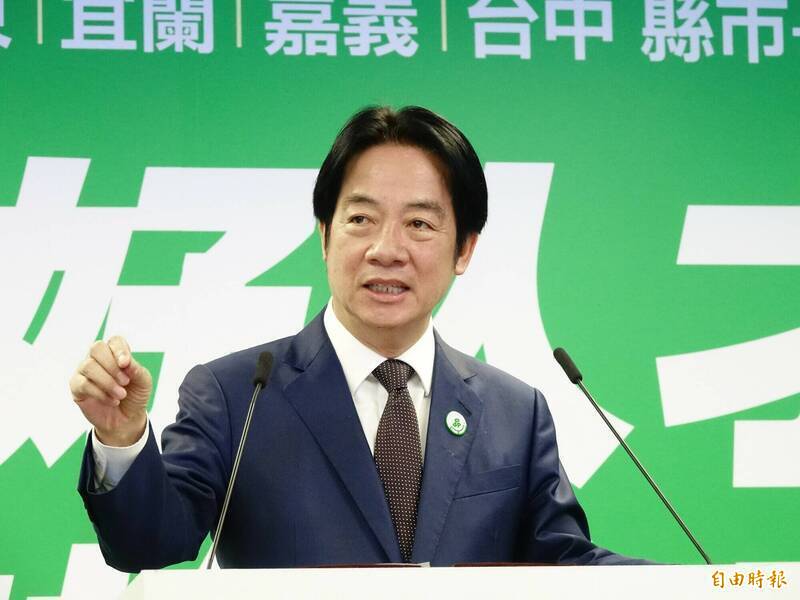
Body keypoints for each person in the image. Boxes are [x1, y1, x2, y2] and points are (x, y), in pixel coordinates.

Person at [71, 106, 648, 572]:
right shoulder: (235, 395)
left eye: (419, 223)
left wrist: (692, 586)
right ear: (325, 235)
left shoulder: (514, 412)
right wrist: (121, 438)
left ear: (465, 248)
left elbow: (563, 564)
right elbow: (149, 543)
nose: (386, 249)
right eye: (361, 219)